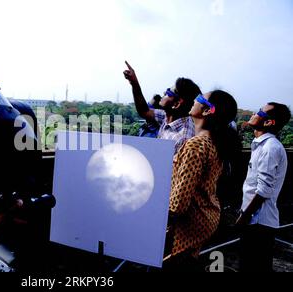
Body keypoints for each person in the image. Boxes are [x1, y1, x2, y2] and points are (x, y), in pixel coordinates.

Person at [165, 90, 239, 271]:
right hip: (205, 217)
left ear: (207, 111)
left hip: (191, 222)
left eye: (199, 99)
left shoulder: (196, 144)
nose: (194, 100)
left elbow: (178, 204)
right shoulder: (213, 141)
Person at [236, 102, 291, 272]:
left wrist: (243, 217)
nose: (254, 112)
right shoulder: (262, 145)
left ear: (268, 122)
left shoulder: (270, 148)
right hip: (255, 220)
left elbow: (264, 190)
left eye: (260, 111)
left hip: (259, 223)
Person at [124, 61, 201, 154]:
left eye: (169, 92)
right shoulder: (168, 115)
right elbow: (144, 111)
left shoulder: (182, 139)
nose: (164, 92)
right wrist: (134, 82)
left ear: (176, 104)